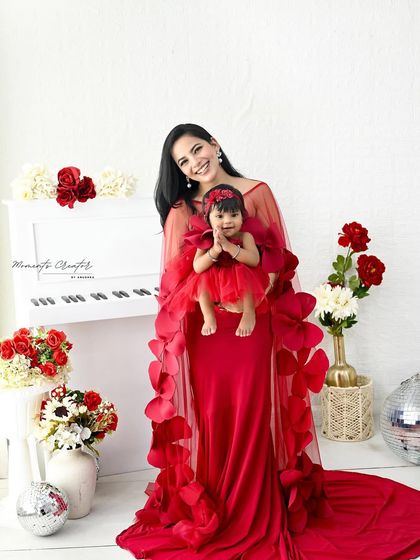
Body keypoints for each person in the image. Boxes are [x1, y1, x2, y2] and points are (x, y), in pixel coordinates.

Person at [116, 124, 420, 560]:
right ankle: (220, 501)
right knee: (213, 416)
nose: (194, 162)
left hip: (251, 324)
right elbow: (174, 276)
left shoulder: (256, 192)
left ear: (215, 144)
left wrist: (251, 288)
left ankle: (255, 503)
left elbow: (277, 260)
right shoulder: (182, 207)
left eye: (198, 149)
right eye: (183, 161)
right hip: (205, 333)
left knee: (252, 412)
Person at [166, 184, 273, 337]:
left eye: (234, 215)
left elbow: (254, 260)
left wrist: (228, 246)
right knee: (200, 279)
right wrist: (215, 249)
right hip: (214, 278)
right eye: (220, 216)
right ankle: (208, 316)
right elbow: (197, 267)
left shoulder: (245, 237)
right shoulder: (206, 238)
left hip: (240, 276)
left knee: (246, 274)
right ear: (208, 219)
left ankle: (249, 313)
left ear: (243, 216)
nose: (228, 221)